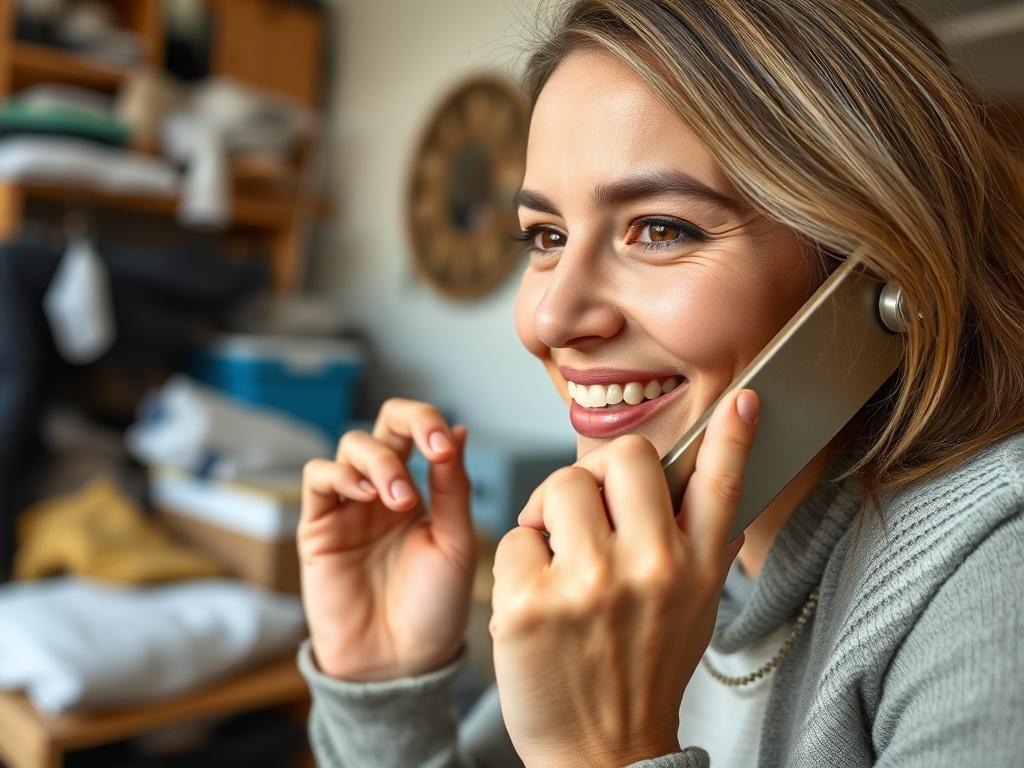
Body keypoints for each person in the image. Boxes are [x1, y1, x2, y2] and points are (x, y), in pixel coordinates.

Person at [296, 1, 1024, 765]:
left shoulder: (993, 586)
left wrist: (603, 750)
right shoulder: (651, 554)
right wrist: (386, 693)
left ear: (878, 278)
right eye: (546, 237)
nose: (549, 317)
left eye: (660, 229)